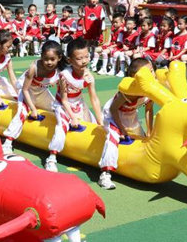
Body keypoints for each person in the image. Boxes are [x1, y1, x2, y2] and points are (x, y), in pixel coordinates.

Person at [45, 38, 103, 172]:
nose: (84, 61)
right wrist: (73, 117)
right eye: (79, 58)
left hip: (78, 102)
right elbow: (64, 100)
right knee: (62, 126)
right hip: (62, 105)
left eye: (87, 56)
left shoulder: (88, 74)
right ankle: (52, 157)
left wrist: (100, 120)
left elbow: (94, 98)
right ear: (70, 60)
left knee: (93, 124)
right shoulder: (65, 75)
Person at [98, 57, 154, 189]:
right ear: (135, 77)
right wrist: (121, 129)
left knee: (143, 139)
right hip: (113, 116)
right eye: (148, 72)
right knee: (113, 139)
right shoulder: (128, 90)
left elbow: (149, 110)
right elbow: (113, 108)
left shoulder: (151, 88)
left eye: (152, 71)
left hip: (131, 116)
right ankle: (105, 174)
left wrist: (150, 131)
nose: (152, 75)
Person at [1, 41, 65, 156]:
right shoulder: (34, 68)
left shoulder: (60, 71)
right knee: (22, 113)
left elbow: (61, 93)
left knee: (58, 111)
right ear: (41, 57)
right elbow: (25, 90)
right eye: (46, 59)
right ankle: (7, 142)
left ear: (59, 58)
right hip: (27, 92)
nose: (49, 62)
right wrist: (33, 108)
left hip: (42, 93)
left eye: (52, 59)